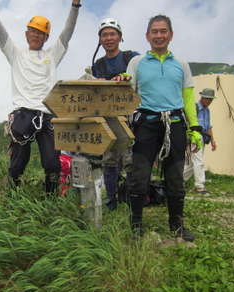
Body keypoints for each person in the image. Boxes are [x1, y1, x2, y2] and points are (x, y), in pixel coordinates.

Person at [0, 0, 81, 194]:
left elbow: (67, 33)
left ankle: (51, 202)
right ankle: (13, 198)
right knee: (18, 163)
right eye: (32, 31)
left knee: (52, 164)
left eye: (40, 33)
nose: (35, 35)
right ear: (26, 34)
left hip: (47, 114)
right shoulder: (16, 53)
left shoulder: (52, 55)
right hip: (22, 113)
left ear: (46, 37)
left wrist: (75, 6)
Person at [126, 15, 203, 241]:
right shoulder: (137, 63)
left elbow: (188, 99)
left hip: (176, 125)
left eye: (163, 31)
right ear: (147, 36)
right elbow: (127, 95)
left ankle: (176, 226)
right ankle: (136, 226)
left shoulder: (181, 64)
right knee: (139, 177)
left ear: (170, 34)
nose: (159, 35)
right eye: (154, 32)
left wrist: (196, 128)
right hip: (146, 124)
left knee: (175, 178)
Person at [90, 18, 139, 211]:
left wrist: (128, 77)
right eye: (104, 35)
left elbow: (143, 73)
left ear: (119, 37)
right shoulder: (98, 65)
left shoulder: (131, 58)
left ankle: (133, 200)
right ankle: (112, 202)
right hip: (108, 120)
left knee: (131, 162)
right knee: (109, 162)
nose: (109, 38)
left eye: (112, 34)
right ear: (100, 40)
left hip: (131, 118)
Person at [184, 88, 217, 193]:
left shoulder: (207, 110)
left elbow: (208, 127)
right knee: (199, 161)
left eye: (211, 100)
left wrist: (213, 141)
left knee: (191, 164)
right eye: (208, 99)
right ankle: (200, 186)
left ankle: (176, 181)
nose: (209, 101)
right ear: (202, 97)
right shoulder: (194, 108)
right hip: (194, 138)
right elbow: (187, 123)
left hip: (203, 139)